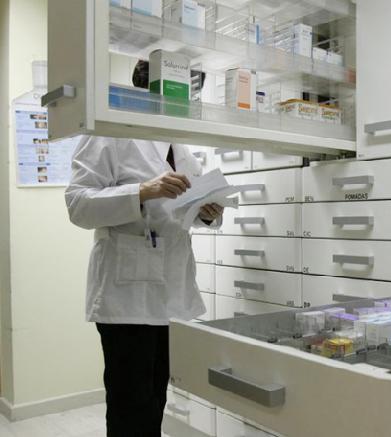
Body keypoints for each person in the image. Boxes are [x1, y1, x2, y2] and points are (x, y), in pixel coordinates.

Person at [65, 60, 223, 437]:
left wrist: (207, 212)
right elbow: (77, 204)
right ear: (149, 86)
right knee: (130, 408)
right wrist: (142, 191)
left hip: (170, 292)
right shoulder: (110, 130)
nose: (186, 101)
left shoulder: (178, 143)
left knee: (154, 400)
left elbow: (179, 211)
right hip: (127, 296)